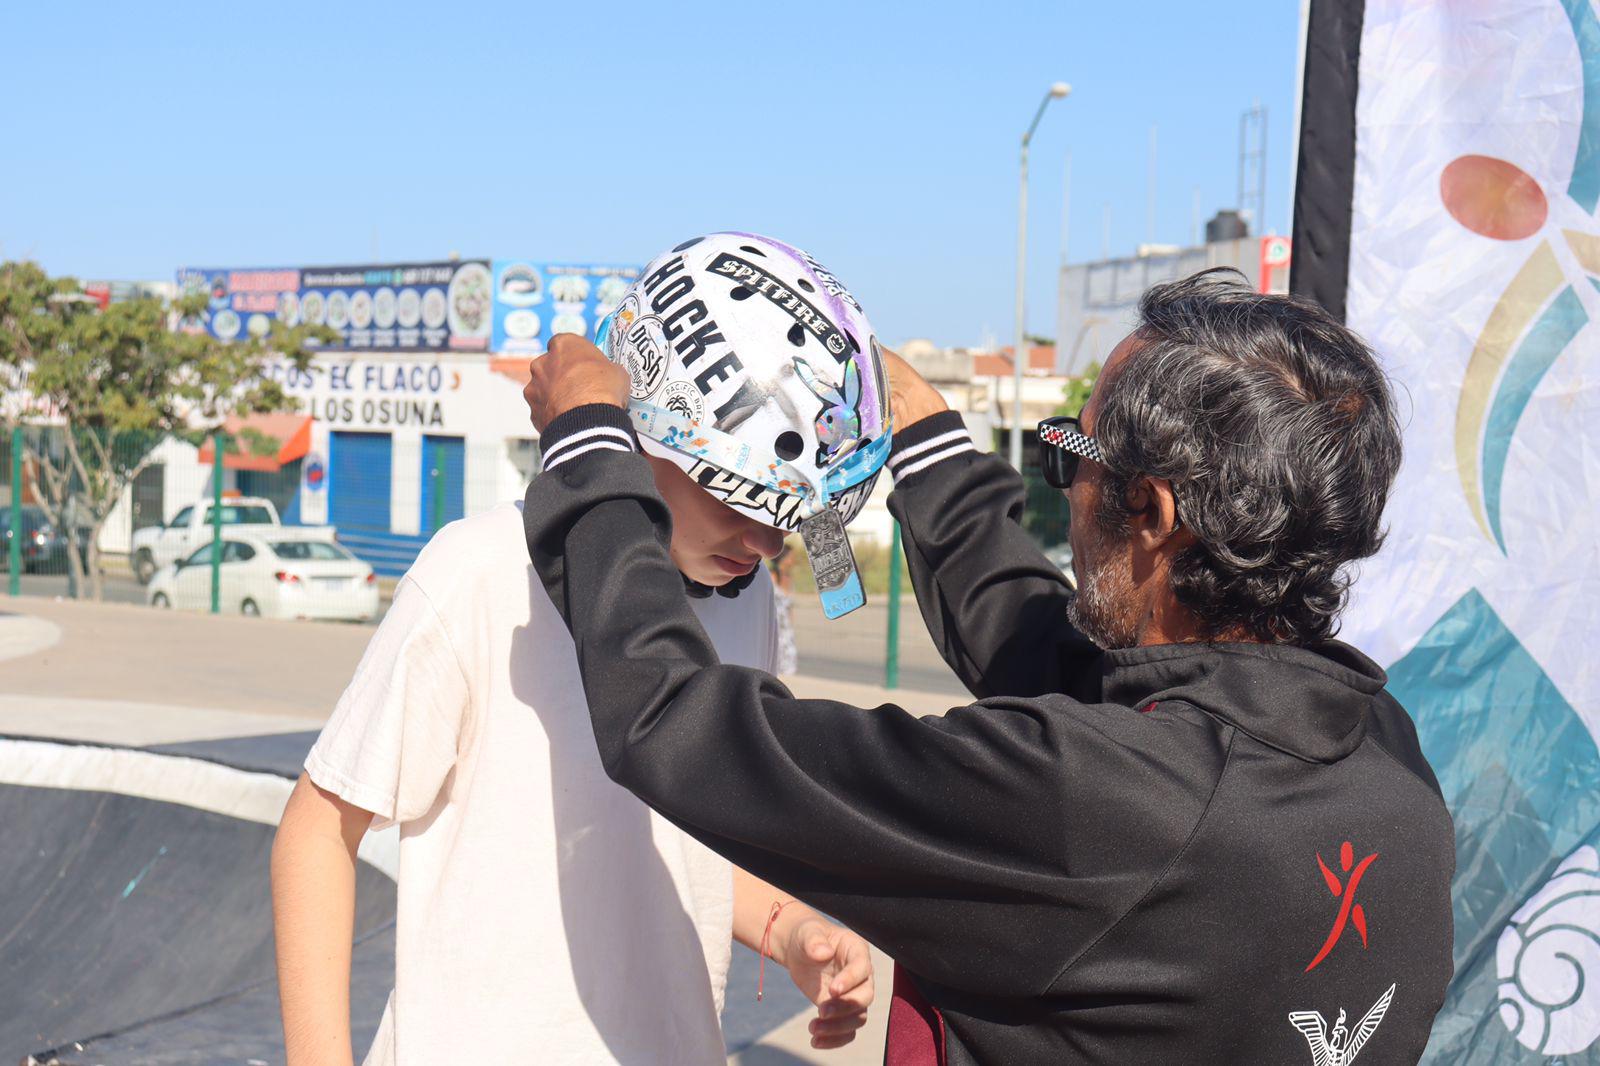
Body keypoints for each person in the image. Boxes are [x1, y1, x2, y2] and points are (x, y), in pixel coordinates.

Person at [520, 268, 1455, 1064]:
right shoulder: (1387, 762)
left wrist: (592, 448)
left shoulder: (1094, 801)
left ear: (1153, 511)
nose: (1069, 487)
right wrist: (927, 443)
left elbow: (676, 723)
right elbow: (1057, 661)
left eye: (1072, 455)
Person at [269, 236, 890, 1066]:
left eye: (789, 516)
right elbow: (317, 832)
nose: (767, 542)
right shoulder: (481, 573)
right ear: (646, 436)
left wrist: (790, 929)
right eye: (738, 499)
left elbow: (682, 847)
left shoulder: (749, 604)